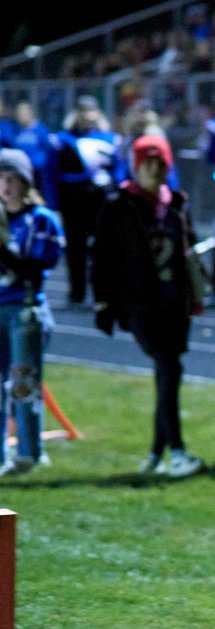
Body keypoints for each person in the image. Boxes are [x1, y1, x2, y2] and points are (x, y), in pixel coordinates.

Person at [92, 135, 207, 478]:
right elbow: (103, 256)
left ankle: (156, 455)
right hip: (141, 303)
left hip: (175, 302)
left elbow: (188, 247)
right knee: (170, 369)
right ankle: (178, 452)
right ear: (136, 166)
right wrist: (103, 303)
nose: (154, 170)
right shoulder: (119, 204)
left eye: (160, 163)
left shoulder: (176, 203)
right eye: (148, 163)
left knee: (167, 373)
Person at [0, 149, 64, 476]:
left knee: (23, 383)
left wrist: (4, 250)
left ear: (26, 182)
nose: (7, 186)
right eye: (2, 179)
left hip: (24, 309)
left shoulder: (42, 219)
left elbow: (35, 271)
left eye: (14, 179)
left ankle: (29, 453)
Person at [53, 95, 128, 306]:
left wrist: (115, 188)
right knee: (75, 249)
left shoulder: (110, 139)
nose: (87, 115)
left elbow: (119, 169)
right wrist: (53, 204)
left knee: (103, 248)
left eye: (91, 111)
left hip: (100, 200)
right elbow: (52, 173)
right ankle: (76, 292)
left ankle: (102, 292)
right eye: (83, 111)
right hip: (72, 200)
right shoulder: (62, 140)